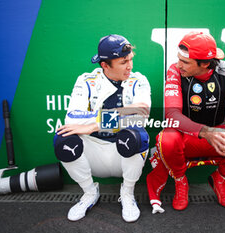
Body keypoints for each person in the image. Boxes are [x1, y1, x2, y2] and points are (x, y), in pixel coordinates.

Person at [146, 31, 225, 213]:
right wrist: (206, 132)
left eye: (185, 62)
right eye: (178, 59)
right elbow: (172, 115)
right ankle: (180, 181)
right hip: (188, 137)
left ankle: (220, 178)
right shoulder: (174, 70)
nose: (178, 64)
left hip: (218, 136)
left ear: (205, 63)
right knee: (166, 139)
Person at [53, 34, 151, 222]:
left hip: (123, 150)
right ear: (105, 65)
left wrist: (94, 125)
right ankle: (89, 193)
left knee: (138, 135)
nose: (130, 66)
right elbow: (72, 118)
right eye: (123, 62)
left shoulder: (139, 80)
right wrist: (122, 113)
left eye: (131, 59)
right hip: (93, 150)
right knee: (63, 137)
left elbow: (141, 115)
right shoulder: (86, 80)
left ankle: (128, 193)